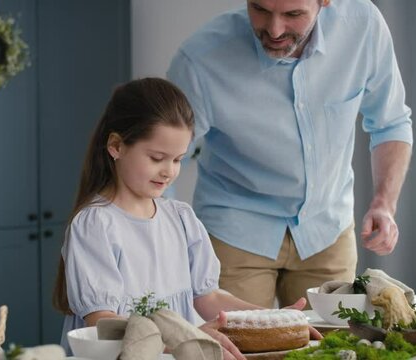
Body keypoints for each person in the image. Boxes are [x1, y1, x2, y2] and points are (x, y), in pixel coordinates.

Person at [166, 0, 413, 309]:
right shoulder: (200, 59)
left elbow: (390, 123)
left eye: (293, 14)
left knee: (332, 352)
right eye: (260, 9)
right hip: (235, 232)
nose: (274, 29)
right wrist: (166, 239)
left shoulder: (361, 25)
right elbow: (163, 155)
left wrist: (384, 205)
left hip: (327, 229)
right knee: (242, 350)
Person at [52, 78, 322, 359]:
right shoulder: (96, 225)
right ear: (116, 146)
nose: (169, 171)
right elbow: (101, 322)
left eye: (178, 159)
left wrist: (274, 319)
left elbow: (208, 297)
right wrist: (183, 338)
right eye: (157, 158)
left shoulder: (180, 217)